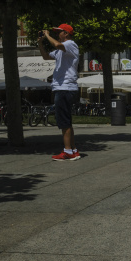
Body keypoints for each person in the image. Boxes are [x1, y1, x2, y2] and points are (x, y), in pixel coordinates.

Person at [38, 24, 80, 161]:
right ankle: (73, 150)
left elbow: (57, 45)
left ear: (66, 33)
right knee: (66, 120)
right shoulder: (62, 50)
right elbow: (45, 56)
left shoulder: (70, 44)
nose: (57, 34)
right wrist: (40, 43)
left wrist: (47, 36)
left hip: (65, 88)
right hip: (63, 88)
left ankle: (68, 151)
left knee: (63, 121)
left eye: (59, 32)